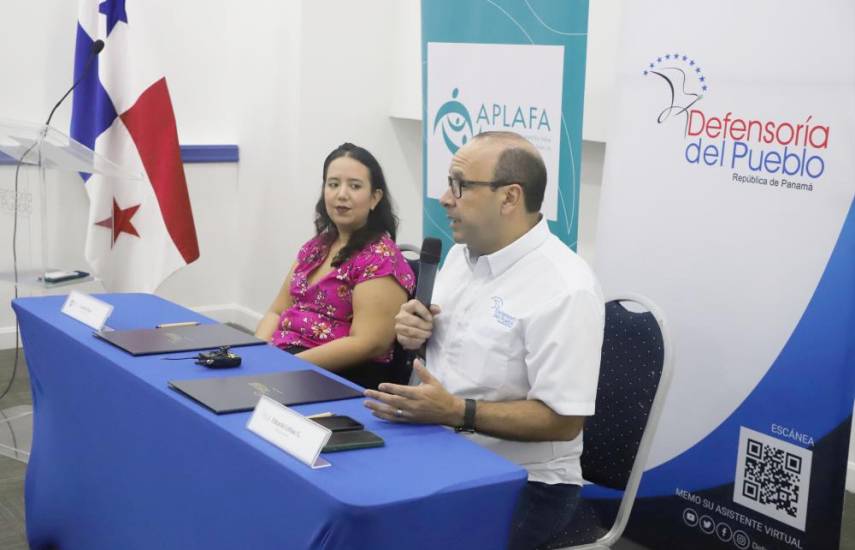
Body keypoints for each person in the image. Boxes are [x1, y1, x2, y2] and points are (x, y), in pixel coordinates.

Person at [363, 131, 604, 550]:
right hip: (438, 446)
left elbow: (565, 421)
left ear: (509, 198)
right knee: (353, 509)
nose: (444, 197)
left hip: (524, 481)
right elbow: (445, 355)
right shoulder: (460, 256)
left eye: (459, 184)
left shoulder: (566, 289)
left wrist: (458, 411)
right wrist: (414, 334)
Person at [256, 143, 415, 389]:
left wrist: (285, 366)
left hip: (341, 374)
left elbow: (369, 343)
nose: (342, 194)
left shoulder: (380, 258)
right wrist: (258, 356)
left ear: (375, 197)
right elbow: (276, 311)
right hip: (287, 361)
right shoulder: (316, 246)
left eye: (355, 186)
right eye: (333, 184)